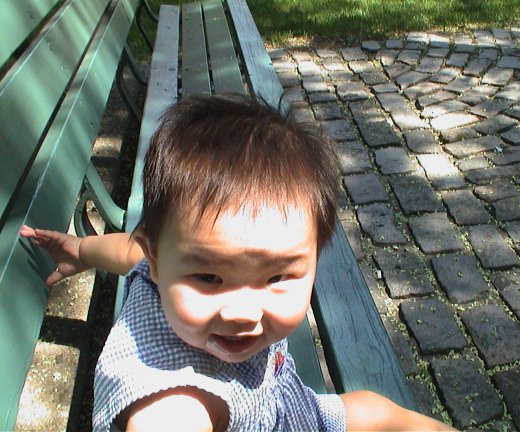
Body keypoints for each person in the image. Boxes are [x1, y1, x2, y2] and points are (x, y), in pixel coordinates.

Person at [21, 94, 455, 431]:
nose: (244, 313)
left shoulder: (167, 262)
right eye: (210, 277)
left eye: (278, 276)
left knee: (373, 410)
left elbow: (126, 252)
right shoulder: (176, 399)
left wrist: (80, 252)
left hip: (289, 405)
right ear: (159, 261)